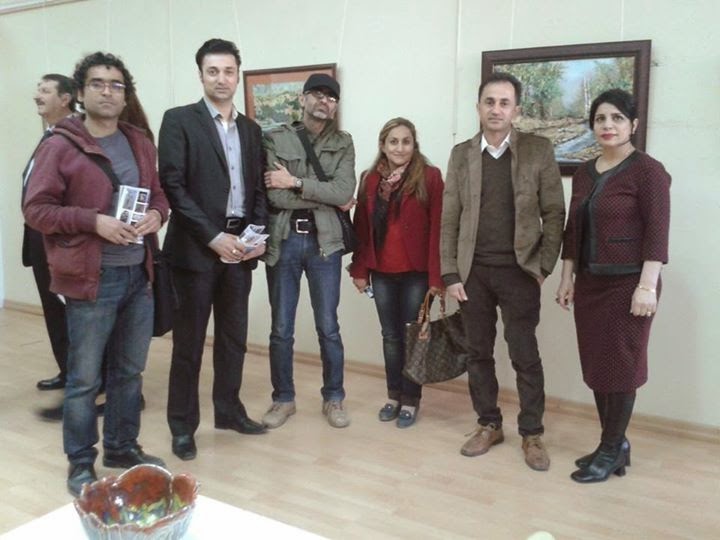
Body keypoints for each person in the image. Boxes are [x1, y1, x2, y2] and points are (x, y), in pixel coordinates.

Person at [23, 52, 169, 496]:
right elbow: (36, 210)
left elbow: (158, 195)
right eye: (98, 83)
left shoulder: (139, 141)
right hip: (92, 279)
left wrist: (157, 216)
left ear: (126, 95)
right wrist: (94, 222)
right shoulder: (59, 145)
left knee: (129, 372)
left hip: (138, 275)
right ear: (81, 93)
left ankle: (122, 447)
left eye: (116, 85)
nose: (108, 91)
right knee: (85, 379)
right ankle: (81, 462)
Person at [440, 72, 565, 471]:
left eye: (504, 103)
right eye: (489, 102)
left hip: (519, 272)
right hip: (473, 272)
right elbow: (449, 216)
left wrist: (543, 266)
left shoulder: (538, 150)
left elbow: (554, 213)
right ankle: (488, 424)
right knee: (478, 353)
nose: (496, 109)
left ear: (517, 110)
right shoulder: (462, 154)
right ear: (478, 107)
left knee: (524, 354)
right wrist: (450, 273)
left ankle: (532, 432)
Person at [159, 38, 268, 462]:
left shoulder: (251, 129)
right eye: (213, 71)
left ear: (237, 75)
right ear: (201, 75)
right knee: (188, 345)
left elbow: (258, 189)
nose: (221, 79)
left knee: (233, 338)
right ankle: (182, 426)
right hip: (196, 250)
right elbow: (173, 186)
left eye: (228, 71)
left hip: (240, 248)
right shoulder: (179, 120)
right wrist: (212, 236)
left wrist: (255, 237)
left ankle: (229, 410)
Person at [556, 88, 671, 483]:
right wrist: (567, 277)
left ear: (633, 125)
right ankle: (614, 445)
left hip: (629, 285)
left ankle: (610, 448)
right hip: (590, 284)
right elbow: (573, 230)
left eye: (617, 118)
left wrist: (647, 286)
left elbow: (657, 231)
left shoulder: (648, 171)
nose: (608, 125)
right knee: (598, 366)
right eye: (601, 119)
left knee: (621, 367)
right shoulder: (585, 172)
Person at [263, 73, 356, 429]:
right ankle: (283, 399)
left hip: (324, 243)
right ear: (302, 99)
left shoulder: (343, 143)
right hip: (285, 239)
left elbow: (344, 191)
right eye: (317, 94)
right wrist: (323, 193)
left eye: (330, 98)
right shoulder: (276, 138)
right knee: (281, 328)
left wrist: (296, 182)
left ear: (335, 106)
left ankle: (334, 397)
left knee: (328, 326)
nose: (324, 102)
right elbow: (275, 195)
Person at [348, 117, 444, 428]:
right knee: (390, 337)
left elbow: (438, 230)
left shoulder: (430, 177)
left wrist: (436, 278)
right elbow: (362, 228)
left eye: (406, 141)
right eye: (393, 141)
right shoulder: (369, 180)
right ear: (383, 145)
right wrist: (359, 270)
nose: (400, 148)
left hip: (417, 272)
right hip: (382, 272)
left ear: (414, 145)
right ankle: (394, 395)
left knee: (412, 337)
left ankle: (411, 399)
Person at [21, 74, 76, 392]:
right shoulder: (49, 135)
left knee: (75, 311)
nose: (36, 95)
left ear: (65, 98)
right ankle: (68, 370)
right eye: (37, 89)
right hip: (39, 236)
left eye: (44, 90)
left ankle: (90, 377)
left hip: (63, 239)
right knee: (54, 309)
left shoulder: (75, 136)